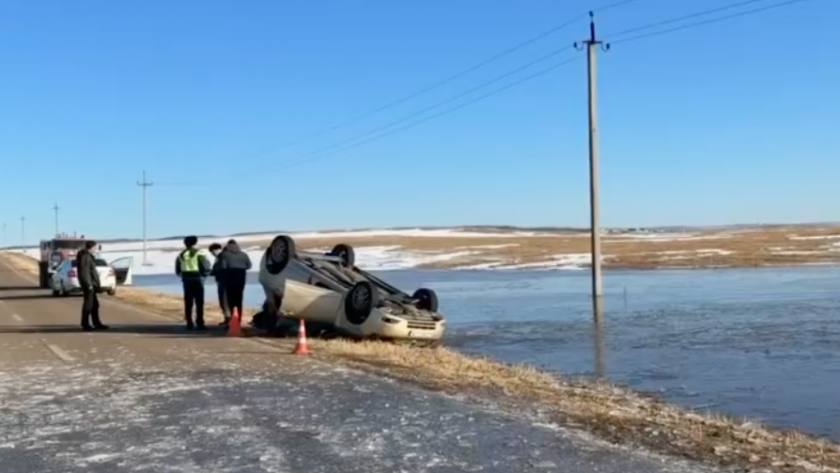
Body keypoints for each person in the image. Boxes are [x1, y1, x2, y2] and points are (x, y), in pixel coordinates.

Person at [175, 236, 211, 330]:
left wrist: (183, 275)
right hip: (197, 279)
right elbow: (206, 266)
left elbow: (178, 270)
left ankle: (189, 322)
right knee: (199, 302)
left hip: (186, 280)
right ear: (195, 243)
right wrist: (204, 275)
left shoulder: (181, 254)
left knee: (188, 302)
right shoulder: (199, 253)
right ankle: (199, 322)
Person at [76, 241, 108, 331]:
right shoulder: (85, 257)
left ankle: (96, 323)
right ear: (92, 247)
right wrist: (88, 284)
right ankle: (85, 325)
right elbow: (84, 272)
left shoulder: (87, 256)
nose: (96, 249)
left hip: (91, 284)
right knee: (89, 305)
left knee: (95, 305)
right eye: (95, 247)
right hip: (89, 285)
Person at [219, 239, 252, 320]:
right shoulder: (244, 254)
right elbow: (249, 266)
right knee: (239, 299)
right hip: (241, 277)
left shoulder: (224, 254)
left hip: (230, 277)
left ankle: (232, 319)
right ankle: (238, 319)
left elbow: (223, 266)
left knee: (230, 300)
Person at [209, 242, 231, 326]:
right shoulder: (220, 257)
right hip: (224, 281)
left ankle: (229, 320)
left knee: (224, 301)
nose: (212, 254)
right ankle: (227, 319)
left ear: (216, 250)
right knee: (224, 301)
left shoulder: (222, 257)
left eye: (212, 252)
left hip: (224, 281)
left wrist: (212, 272)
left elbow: (221, 269)